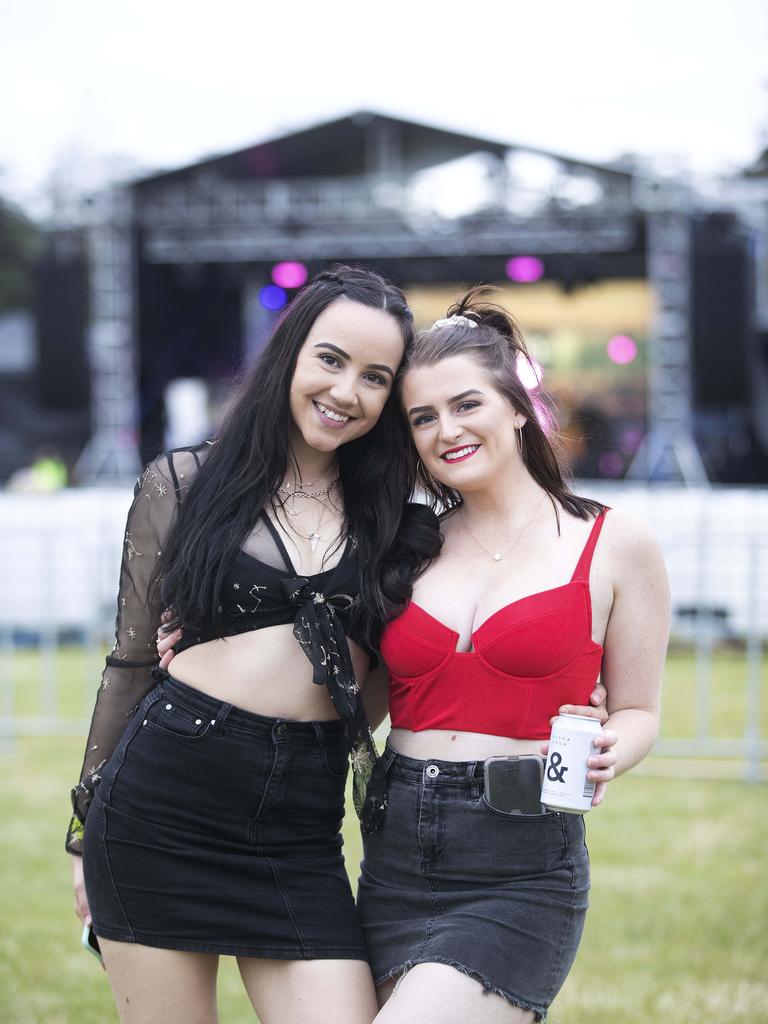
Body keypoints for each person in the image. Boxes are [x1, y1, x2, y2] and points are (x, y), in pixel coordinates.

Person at [67, 265, 430, 1024]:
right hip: (159, 809)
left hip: (298, 827)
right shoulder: (186, 483)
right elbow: (132, 659)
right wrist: (82, 832)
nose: (345, 391)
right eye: (329, 359)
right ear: (291, 352)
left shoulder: (401, 519)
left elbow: (402, 668)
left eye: (375, 377)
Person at [354, 291, 670, 1023]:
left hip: (520, 865)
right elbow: (354, 695)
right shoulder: (405, 544)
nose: (446, 430)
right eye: (422, 418)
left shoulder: (615, 542)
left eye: (467, 405)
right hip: (394, 852)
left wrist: (608, 751)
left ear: (519, 408)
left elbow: (640, 711)